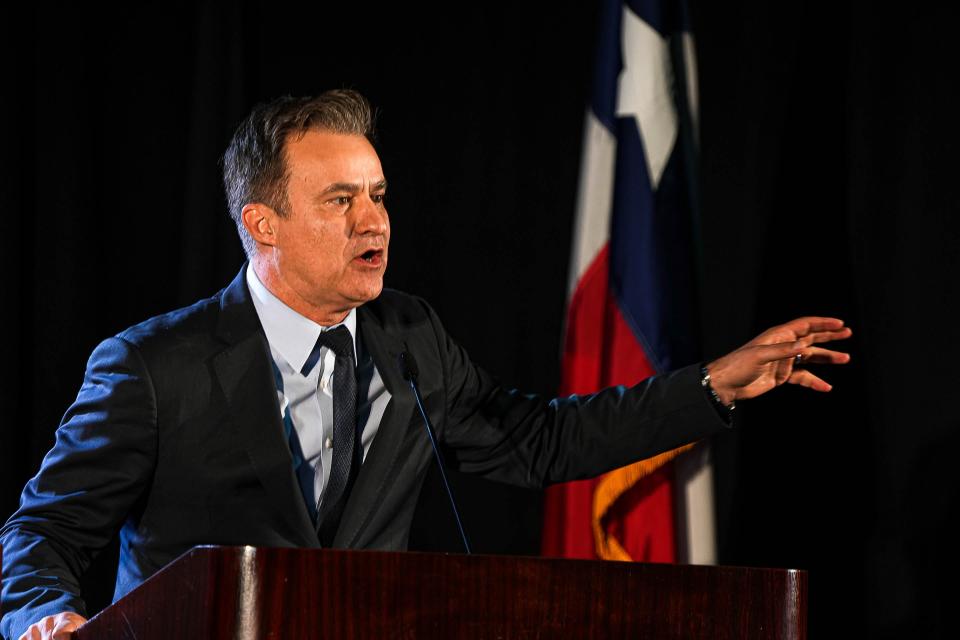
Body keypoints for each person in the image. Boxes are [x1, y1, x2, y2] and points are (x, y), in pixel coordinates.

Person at [0, 90, 851, 640]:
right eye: (341, 201)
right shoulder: (154, 366)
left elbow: (539, 443)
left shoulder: (410, 335)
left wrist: (710, 387)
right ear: (263, 224)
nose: (375, 222)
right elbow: (43, 529)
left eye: (377, 195)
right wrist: (46, 616)